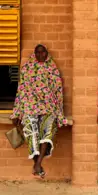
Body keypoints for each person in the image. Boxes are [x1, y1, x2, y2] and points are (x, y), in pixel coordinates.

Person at [10, 44, 68, 178]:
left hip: (49, 107)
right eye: (37, 52)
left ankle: (38, 164)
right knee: (31, 131)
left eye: (43, 52)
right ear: (34, 54)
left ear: (47, 53)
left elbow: (58, 91)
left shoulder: (52, 68)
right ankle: (37, 165)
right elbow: (21, 91)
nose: (40, 55)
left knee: (48, 129)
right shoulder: (27, 68)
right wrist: (16, 112)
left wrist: (59, 112)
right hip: (30, 106)